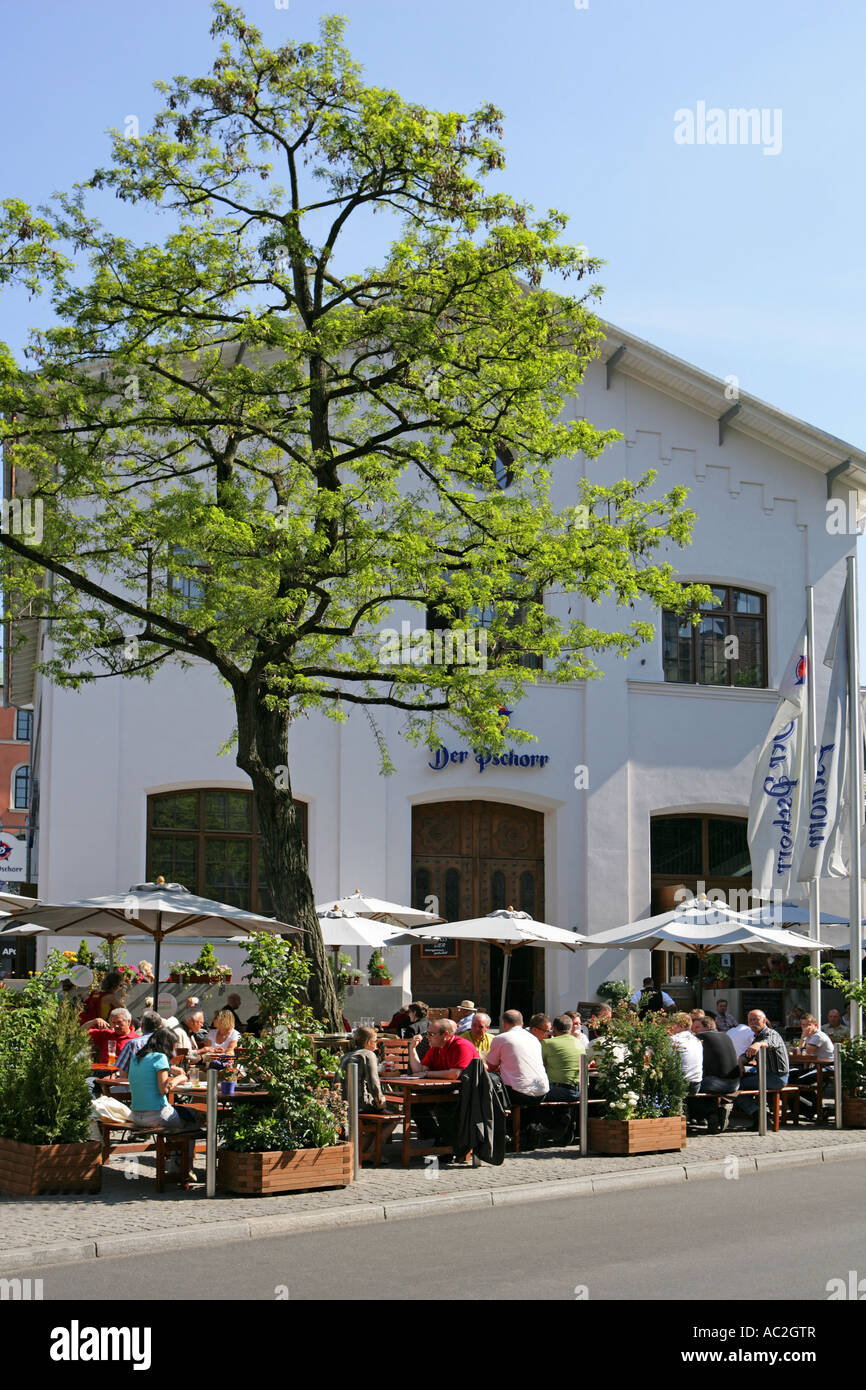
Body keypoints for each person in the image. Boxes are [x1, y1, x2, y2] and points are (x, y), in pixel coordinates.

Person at [127, 1026, 200, 1141]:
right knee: (195, 1118)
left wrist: (171, 1069)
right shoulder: (160, 1057)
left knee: (183, 1115)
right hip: (156, 1115)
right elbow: (164, 1090)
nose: (174, 1051)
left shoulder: (137, 1058)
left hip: (136, 1115)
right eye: (174, 1046)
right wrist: (179, 1078)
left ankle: (173, 1152)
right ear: (168, 1045)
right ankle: (183, 1156)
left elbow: (151, 1068)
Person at [339, 1026, 399, 1158]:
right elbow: (374, 1084)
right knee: (395, 1115)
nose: (377, 1045)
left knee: (380, 1115)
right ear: (367, 1043)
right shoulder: (368, 1054)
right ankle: (370, 1153)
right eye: (375, 1041)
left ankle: (363, 1151)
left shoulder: (346, 1055)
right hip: (358, 1104)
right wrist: (381, 1105)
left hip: (342, 1104)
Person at [732, 1009, 789, 1129]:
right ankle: (760, 1116)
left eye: (756, 1020)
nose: (753, 1023)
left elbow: (769, 1042)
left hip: (777, 1077)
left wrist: (759, 1044)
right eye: (750, 1020)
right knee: (736, 1084)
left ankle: (760, 1115)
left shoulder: (771, 1033)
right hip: (766, 1075)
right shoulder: (757, 1036)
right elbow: (748, 1054)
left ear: (764, 1020)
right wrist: (740, 1060)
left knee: (734, 1088)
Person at [486, 1009, 550, 1110]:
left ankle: (497, 1122)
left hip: (519, 1093)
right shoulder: (534, 1039)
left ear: (503, 1023)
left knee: (488, 1082)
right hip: (542, 1092)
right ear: (522, 1023)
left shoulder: (501, 1038)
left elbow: (491, 1066)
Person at [689, 1016, 740, 1132]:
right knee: (705, 1085)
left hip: (719, 1082)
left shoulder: (701, 1037)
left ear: (707, 1027)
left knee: (691, 1087)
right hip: (736, 1082)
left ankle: (711, 1114)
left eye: (697, 1027)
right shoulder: (725, 1035)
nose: (694, 1031)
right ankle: (717, 1112)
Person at [407, 1018, 477, 1079]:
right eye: (427, 1033)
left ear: (445, 1035)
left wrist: (427, 1074)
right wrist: (412, 1049)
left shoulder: (461, 1046)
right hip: (447, 1089)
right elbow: (419, 1072)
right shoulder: (436, 1047)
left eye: (431, 1034)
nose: (427, 1037)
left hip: (462, 1092)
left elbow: (454, 1074)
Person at [795, 1014, 836, 1117]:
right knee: (791, 1077)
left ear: (815, 1025)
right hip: (817, 1066)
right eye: (802, 1025)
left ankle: (816, 1108)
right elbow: (801, 1053)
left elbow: (807, 1051)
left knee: (800, 1081)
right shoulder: (810, 1037)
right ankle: (807, 1109)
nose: (804, 1027)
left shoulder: (818, 1036)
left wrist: (803, 1037)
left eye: (807, 1025)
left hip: (827, 1067)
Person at [542, 1014, 585, 1101]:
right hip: (580, 1091)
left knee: (532, 1093)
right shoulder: (580, 1043)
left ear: (553, 1029)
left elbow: (538, 1064)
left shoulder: (547, 1043)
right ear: (570, 1028)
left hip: (559, 1090)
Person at [115, 1008, 163, 1075]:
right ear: (160, 1026)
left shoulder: (133, 1043)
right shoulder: (167, 1042)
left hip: (136, 1083)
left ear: (142, 1026)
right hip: (163, 1082)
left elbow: (122, 1071)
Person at [666, 1011, 703, 1094]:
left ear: (682, 1026)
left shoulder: (673, 1040)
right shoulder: (697, 1040)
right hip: (696, 1085)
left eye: (672, 1024)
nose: (669, 1027)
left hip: (679, 1085)